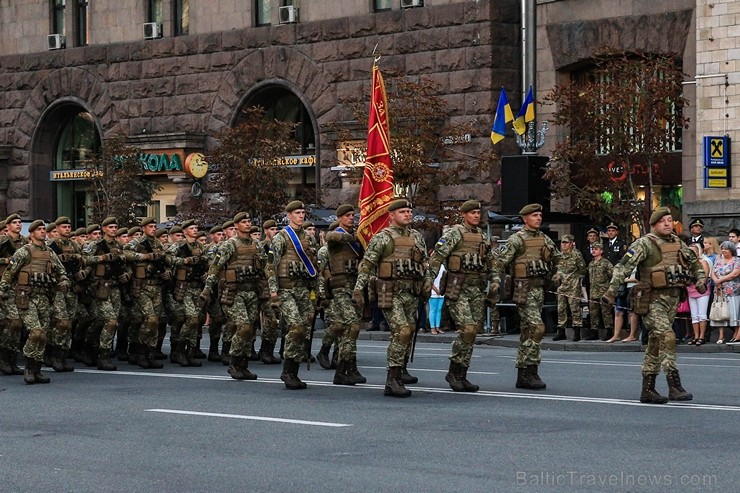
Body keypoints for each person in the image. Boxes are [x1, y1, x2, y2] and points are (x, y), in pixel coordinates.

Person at [603, 207, 707, 404]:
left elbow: (695, 264)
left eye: (670, 220)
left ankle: (648, 389)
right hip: (651, 300)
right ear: (654, 224)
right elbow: (623, 267)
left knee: (655, 344)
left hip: (673, 300)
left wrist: (700, 280)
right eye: (663, 221)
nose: (668, 223)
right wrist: (611, 291)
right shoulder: (645, 244)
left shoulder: (678, 242)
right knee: (667, 336)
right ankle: (674, 385)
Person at [352, 198, 429, 397]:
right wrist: (358, 289)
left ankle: (401, 370)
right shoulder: (382, 238)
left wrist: (427, 282)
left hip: (411, 291)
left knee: (409, 330)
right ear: (392, 215)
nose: (408, 215)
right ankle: (392, 379)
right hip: (390, 292)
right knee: (402, 330)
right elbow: (367, 265)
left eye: (409, 211)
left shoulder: (417, 237)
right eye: (403, 211)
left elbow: (425, 263)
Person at [426, 200, 493, 392]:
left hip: (477, 289)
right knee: (468, 329)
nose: (476, 216)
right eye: (472, 213)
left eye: (478, 213)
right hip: (459, 288)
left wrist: (495, 281)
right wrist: (429, 280)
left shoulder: (481, 236)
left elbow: (491, 261)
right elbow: (437, 257)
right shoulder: (454, 234)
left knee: (472, 333)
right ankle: (453, 372)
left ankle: (462, 373)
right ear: (463, 215)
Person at [491, 203, 559, 390]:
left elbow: (559, 259)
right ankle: (530, 370)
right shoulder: (516, 240)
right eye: (534, 215)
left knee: (528, 332)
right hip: (524, 290)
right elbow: (499, 263)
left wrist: (558, 273)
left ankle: (524, 374)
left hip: (539, 290)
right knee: (537, 328)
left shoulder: (544, 238)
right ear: (525, 219)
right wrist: (496, 282)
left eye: (539, 215)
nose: (538, 218)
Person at [0, 220, 70, 384]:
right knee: (36, 332)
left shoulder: (50, 253)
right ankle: (29, 367)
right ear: (32, 234)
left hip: (44, 298)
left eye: (44, 229)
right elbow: (9, 274)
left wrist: (64, 281)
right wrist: (2, 291)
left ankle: (37, 369)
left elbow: (61, 271)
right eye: (39, 230)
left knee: (43, 335)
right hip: (26, 297)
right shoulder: (24, 252)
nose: (43, 232)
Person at [201, 212, 268, 380]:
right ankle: (234, 361)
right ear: (236, 226)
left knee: (250, 330)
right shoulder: (229, 245)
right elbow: (215, 268)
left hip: (252, 292)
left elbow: (266, 268)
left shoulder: (257, 245)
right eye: (243, 222)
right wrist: (207, 291)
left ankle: (243, 365)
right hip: (233, 292)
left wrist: (269, 289)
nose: (247, 224)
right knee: (243, 326)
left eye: (249, 221)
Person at [268, 200, 319, 390]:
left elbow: (314, 265)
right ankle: (288, 371)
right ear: (289, 215)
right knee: (296, 327)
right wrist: (274, 292)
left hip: (303, 290)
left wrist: (318, 291)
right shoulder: (281, 238)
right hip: (286, 290)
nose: (301, 215)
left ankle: (294, 371)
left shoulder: (308, 238)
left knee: (303, 330)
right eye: (297, 213)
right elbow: (270, 266)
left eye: (303, 212)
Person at [322, 205, 366, 385]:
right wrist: (356, 236)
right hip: (340, 288)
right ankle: (341, 371)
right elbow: (330, 236)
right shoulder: (336, 236)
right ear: (339, 218)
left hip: (355, 286)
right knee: (352, 325)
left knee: (351, 330)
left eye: (353, 215)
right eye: (347, 216)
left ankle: (351, 367)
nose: (351, 218)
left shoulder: (357, 239)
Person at [0, 213, 29, 375]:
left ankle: (11, 359)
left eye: (19, 222)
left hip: (22, 287)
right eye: (14, 222)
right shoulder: (2, 241)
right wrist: (5, 261)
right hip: (6, 286)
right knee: (14, 322)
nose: (18, 225)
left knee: (18, 325)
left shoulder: (25, 243)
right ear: (7, 226)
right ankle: (4, 358)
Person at [552, 234, 586, 341]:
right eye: (562, 242)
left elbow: (582, 269)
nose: (564, 245)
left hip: (573, 286)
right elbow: (558, 269)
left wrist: (576, 280)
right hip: (562, 286)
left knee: (575, 309)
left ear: (571, 244)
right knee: (561, 309)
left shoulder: (576, 255)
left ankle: (577, 332)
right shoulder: (560, 255)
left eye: (566, 243)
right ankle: (561, 332)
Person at [709, 241, 740, 344]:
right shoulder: (718, 260)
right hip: (719, 291)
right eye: (722, 248)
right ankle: (721, 336)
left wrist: (720, 280)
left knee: (734, 312)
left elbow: (734, 274)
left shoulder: (737, 260)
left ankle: (736, 334)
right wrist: (716, 280)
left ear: (732, 250)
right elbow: (712, 272)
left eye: (726, 249)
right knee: (720, 312)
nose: (724, 250)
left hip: (733, 291)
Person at [587, 242, 614, 341]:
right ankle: (594, 332)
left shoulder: (606, 263)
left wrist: (610, 291)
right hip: (593, 291)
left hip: (603, 292)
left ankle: (609, 331)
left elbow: (613, 276)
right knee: (593, 313)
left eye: (596, 249)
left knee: (606, 312)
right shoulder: (591, 264)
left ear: (601, 251)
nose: (594, 250)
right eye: (593, 249)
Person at [686, 243, 711, 345]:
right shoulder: (687, 264)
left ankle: (702, 336)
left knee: (702, 314)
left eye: (694, 251)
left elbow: (704, 277)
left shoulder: (703, 262)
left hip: (701, 290)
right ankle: (695, 336)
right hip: (691, 290)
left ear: (698, 251)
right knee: (694, 315)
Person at [428, 263, 445, 335]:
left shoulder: (442, 266)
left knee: (439, 309)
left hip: (441, 291)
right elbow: (428, 280)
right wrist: (435, 289)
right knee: (433, 309)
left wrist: (442, 289)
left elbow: (444, 278)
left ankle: (437, 327)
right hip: (433, 292)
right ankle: (432, 327)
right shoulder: (430, 266)